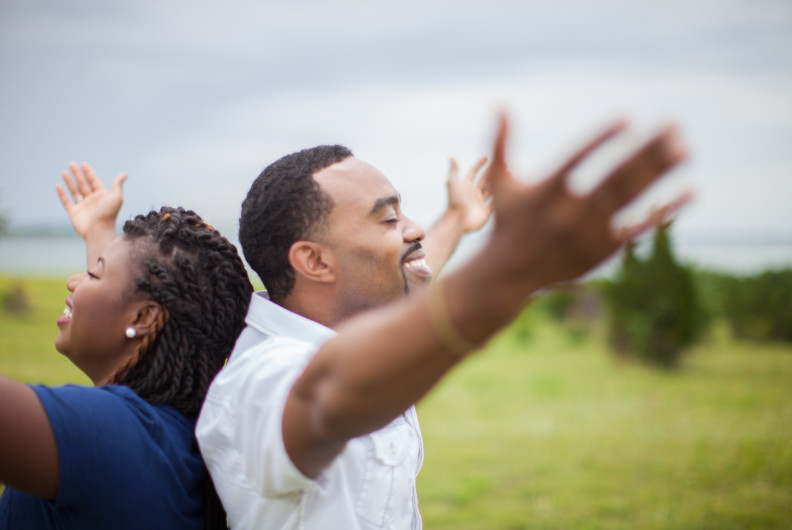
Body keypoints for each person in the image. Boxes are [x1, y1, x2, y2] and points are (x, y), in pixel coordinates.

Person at [195, 113, 690, 529]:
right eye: (388, 219)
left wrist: (458, 218)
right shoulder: (261, 379)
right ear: (316, 262)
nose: (413, 228)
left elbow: (409, 267)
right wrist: (512, 267)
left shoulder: (345, 311)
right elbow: (326, 395)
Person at [0, 163, 253, 529]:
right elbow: (127, 305)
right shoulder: (167, 435)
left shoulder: (118, 435)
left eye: (93, 274)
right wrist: (99, 233)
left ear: (143, 320)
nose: (74, 281)